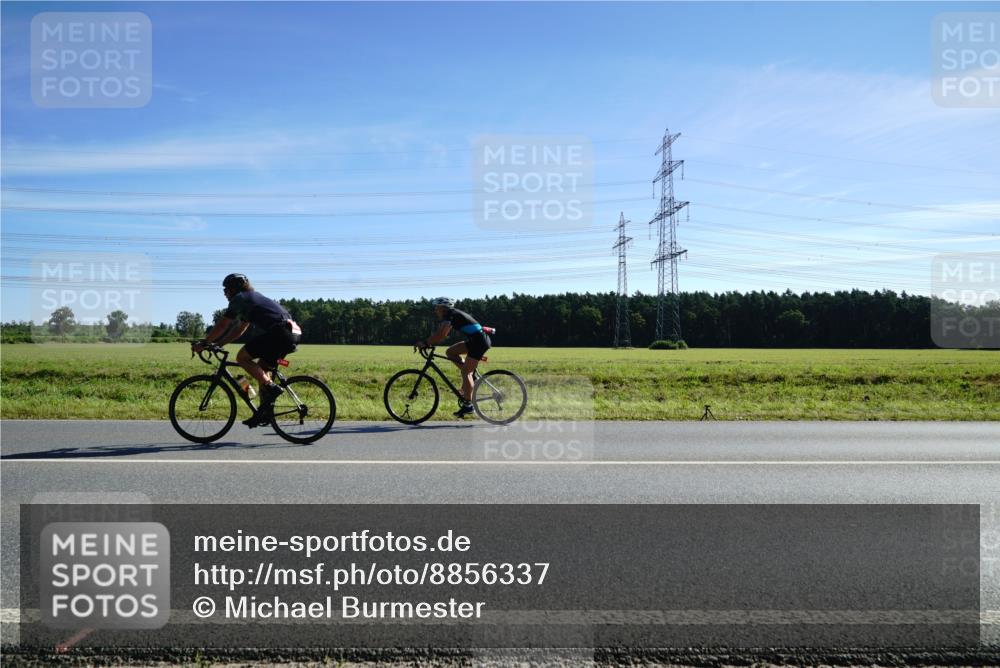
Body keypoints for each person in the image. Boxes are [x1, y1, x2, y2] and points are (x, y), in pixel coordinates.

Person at [192, 274, 302, 426]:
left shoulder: (241, 298)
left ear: (235, 289)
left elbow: (223, 324)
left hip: (280, 333)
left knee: (242, 357)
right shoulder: (250, 300)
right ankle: (265, 412)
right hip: (291, 334)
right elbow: (240, 329)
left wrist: (205, 342)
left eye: (226, 289)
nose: (224, 293)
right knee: (262, 371)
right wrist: (219, 344)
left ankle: (272, 388)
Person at [416, 297, 491, 417]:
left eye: (437, 308)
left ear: (443, 308)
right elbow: (440, 333)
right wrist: (429, 341)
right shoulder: (451, 315)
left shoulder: (451, 314)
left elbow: (442, 334)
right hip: (475, 340)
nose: (436, 310)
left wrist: (425, 343)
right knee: (450, 352)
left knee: (466, 372)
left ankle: (468, 405)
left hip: (479, 342)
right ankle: (472, 378)